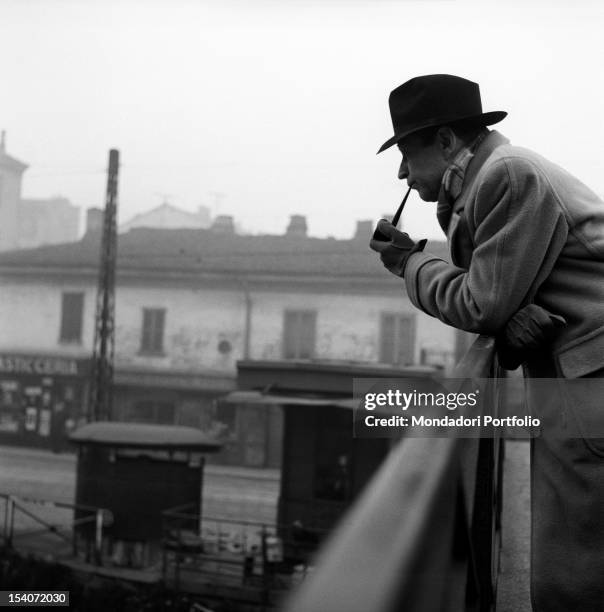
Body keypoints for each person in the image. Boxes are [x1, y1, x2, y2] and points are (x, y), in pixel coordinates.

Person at [369, 74, 604, 612]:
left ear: (448, 141)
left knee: (574, 582)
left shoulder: (508, 175)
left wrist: (408, 264)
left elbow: (481, 304)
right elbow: (502, 297)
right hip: (580, 380)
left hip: (590, 383)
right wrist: (512, 312)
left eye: (408, 152)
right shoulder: (494, 178)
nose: (403, 172)